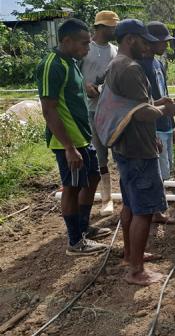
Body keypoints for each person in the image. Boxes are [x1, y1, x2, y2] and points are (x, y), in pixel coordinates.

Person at [105, 19, 175, 285]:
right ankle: (136, 270)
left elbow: (133, 107)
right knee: (144, 210)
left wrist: (156, 105)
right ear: (130, 39)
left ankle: (130, 255)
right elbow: (142, 113)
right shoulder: (130, 68)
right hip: (137, 150)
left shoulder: (117, 66)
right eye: (143, 39)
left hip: (128, 146)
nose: (147, 45)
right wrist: (165, 111)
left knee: (130, 204)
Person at [37, 18, 111, 256]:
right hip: (68, 142)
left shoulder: (71, 62)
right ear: (66, 40)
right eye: (83, 44)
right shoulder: (52, 65)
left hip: (82, 137)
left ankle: (84, 227)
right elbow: (49, 109)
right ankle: (75, 242)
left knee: (92, 178)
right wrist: (69, 148)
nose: (87, 49)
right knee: (71, 187)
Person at [140, 21, 175, 225]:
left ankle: (157, 208)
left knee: (165, 169)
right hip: (152, 126)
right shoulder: (139, 67)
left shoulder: (158, 64)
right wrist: (152, 133)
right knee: (156, 171)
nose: (165, 45)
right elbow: (142, 105)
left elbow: (165, 95)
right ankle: (156, 211)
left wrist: (173, 125)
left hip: (164, 123)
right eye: (162, 41)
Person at [81, 10, 119, 217]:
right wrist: (85, 84)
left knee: (118, 151)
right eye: (113, 26)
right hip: (92, 109)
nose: (116, 30)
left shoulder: (115, 50)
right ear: (102, 27)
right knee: (99, 155)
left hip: (112, 110)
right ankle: (107, 198)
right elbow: (75, 75)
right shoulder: (86, 49)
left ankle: (114, 194)